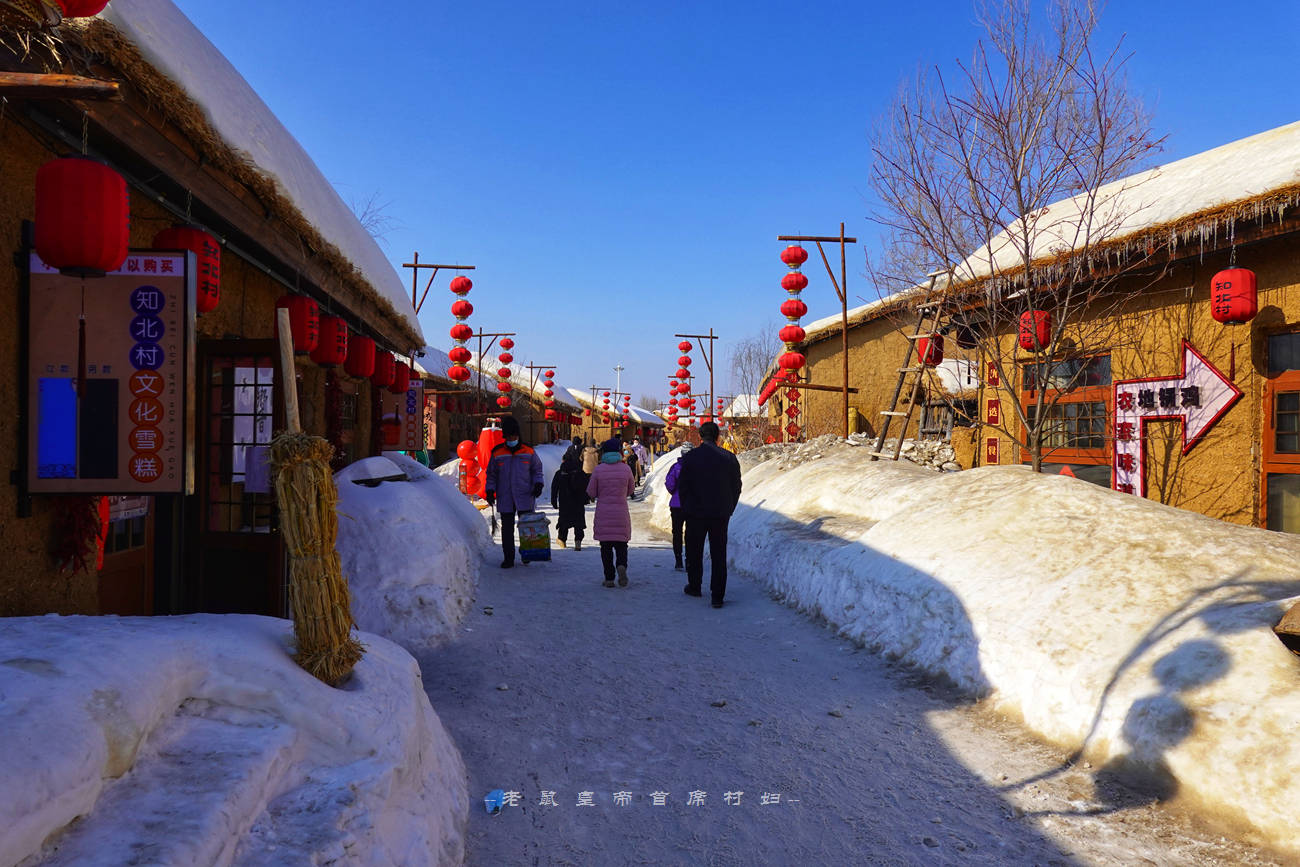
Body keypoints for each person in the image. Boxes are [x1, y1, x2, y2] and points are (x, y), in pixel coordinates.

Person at [676, 421, 742, 608]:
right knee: (718, 553)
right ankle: (717, 595)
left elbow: (683, 487)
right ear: (717, 436)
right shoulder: (729, 458)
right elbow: (736, 486)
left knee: (694, 550)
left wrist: (687, 507)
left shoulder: (691, 458)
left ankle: (695, 586)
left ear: (699, 436)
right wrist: (730, 507)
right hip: (720, 513)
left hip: (695, 512)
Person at [484, 416, 543, 569]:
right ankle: (508, 558)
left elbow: (537, 470)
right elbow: (491, 474)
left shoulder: (529, 451)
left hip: (525, 495)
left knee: (527, 527)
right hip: (505, 497)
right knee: (507, 529)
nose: (512, 439)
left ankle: (527, 554)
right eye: (509, 436)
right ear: (504, 436)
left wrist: (538, 484)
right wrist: (490, 490)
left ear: (518, 435)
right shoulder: (497, 453)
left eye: (514, 436)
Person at [586, 439, 635, 587]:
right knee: (621, 545)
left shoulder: (599, 469)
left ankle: (609, 578)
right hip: (621, 511)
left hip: (603, 512)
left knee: (605, 546)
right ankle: (621, 565)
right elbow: (631, 489)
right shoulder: (625, 469)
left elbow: (591, 491)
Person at [662, 442, 693, 570]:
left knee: (677, 532)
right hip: (693, 504)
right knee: (691, 533)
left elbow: (669, 483)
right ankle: (690, 560)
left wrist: (675, 492)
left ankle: (678, 560)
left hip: (676, 504)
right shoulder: (697, 468)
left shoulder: (676, 467)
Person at [551, 446, 589, 550]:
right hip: (578, 502)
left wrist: (554, 501)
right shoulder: (580, 473)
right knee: (578, 522)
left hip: (564, 502)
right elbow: (586, 486)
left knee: (564, 521)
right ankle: (578, 542)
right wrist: (586, 499)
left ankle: (562, 540)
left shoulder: (559, 474)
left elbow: (554, 488)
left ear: (563, 461)